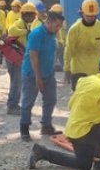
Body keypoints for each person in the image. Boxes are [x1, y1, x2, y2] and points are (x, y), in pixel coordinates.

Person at [27, 53, 100, 170]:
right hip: (86, 132)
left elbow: (71, 104)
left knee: (84, 164)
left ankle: (42, 152)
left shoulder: (86, 80)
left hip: (73, 130)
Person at [18, 11, 65, 141]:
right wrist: (38, 77)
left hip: (48, 74)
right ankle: (24, 129)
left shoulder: (52, 34)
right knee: (28, 102)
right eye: (57, 26)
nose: (58, 29)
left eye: (60, 26)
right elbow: (33, 56)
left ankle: (46, 125)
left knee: (50, 99)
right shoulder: (36, 34)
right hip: (32, 74)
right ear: (48, 22)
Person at [63, 0, 100, 90]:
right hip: (78, 71)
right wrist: (67, 69)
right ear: (82, 13)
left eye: (93, 15)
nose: (91, 18)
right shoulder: (75, 29)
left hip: (95, 71)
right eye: (88, 15)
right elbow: (69, 50)